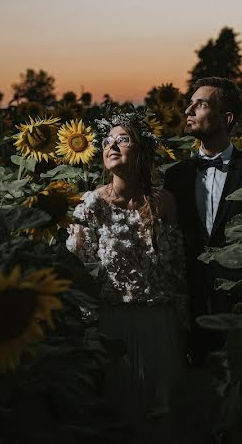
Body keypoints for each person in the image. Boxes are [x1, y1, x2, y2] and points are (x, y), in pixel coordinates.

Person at [65, 111, 187, 428]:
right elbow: (81, 276)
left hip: (159, 324)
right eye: (107, 141)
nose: (111, 145)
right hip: (112, 326)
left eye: (123, 139)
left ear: (143, 150)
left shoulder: (164, 202)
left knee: (163, 415)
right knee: (116, 416)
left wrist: (182, 324)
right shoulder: (91, 204)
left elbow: (178, 272)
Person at [163, 77, 242, 367]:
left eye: (200, 105)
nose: (188, 110)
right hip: (193, 308)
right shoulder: (176, 176)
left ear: (226, 119)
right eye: (190, 104)